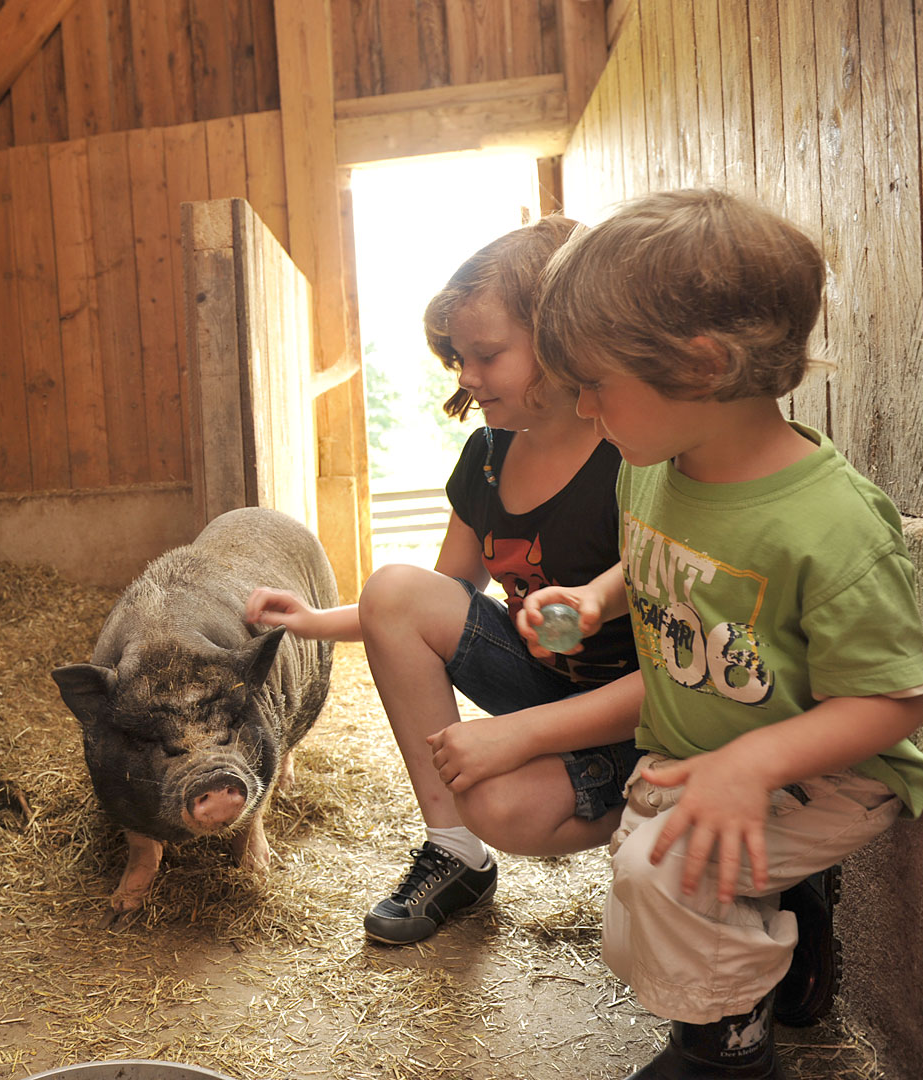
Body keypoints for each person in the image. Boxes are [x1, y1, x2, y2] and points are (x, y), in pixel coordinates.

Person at [515, 188, 923, 1080]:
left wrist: (754, 764)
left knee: (670, 876)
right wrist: (595, 597)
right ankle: (784, 930)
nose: (584, 407)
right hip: (706, 751)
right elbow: (657, 561)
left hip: (829, 772)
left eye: (594, 384)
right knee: (646, 876)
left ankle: (727, 1056)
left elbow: (892, 702)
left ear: (701, 367)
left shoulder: (830, 524)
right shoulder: (655, 471)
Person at [246, 215, 644, 947]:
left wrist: (520, 734)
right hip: (548, 680)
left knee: (504, 801)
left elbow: (677, 636)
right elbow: (425, 603)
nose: (466, 376)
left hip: (645, 714)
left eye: (487, 355)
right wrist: (310, 621)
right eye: (460, 356)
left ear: (562, 337)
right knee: (395, 584)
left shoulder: (634, 453)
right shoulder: (486, 458)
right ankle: (455, 852)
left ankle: (659, 814)